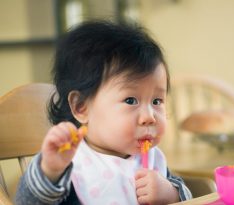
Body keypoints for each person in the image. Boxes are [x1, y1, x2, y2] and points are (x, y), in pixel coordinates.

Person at [15, 20, 192, 205]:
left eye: (157, 101)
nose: (149, 117)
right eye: (131, 100)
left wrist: (172, 194)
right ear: (81, 106)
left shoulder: (153, 158)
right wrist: (50, 171)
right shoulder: (67, 162)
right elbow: (25, 202)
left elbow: (189, 196)